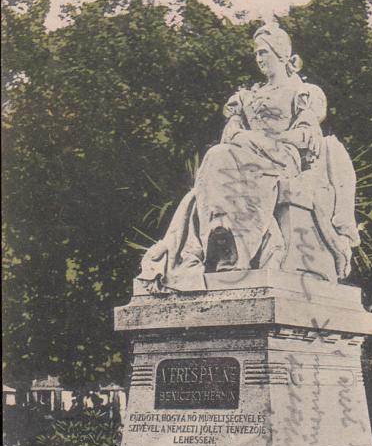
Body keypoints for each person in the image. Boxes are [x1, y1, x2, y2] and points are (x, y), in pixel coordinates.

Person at [138, 23, 360, 292]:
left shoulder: (302, 93)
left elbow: (305, 137)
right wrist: (241, 136)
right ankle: (223, 234)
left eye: (264, 52)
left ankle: (233, 245)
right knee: (217, 154)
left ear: (280, 54)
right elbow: (229, 133)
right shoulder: (246, 96)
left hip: (281, 159)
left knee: (224, 155)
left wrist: (254, 140)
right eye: (256, 53)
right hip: (242, 158)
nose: (259, 58)